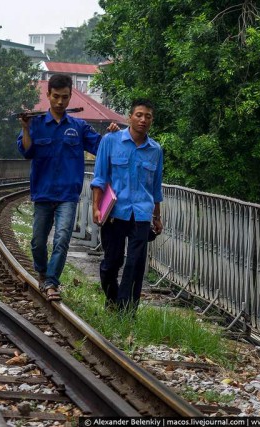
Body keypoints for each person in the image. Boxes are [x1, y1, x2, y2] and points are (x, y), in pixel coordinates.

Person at [16, 73, 118, 301]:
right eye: (56, 97)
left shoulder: (79, 127)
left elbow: (100, 148)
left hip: (68, 195)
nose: (60, 102)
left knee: (62, 239)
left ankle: (52, 282)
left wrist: (111, 135)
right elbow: (26, 151)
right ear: (48, 95)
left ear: (71, 96)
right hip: (42, 193)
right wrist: (25, 128)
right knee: (37, 242)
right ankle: (42, 272)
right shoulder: (37, 124)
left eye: (65, 97)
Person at [91, 98, 163, 313]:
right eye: (139, 115)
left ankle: (126, 312)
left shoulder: (155, 150)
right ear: (129, 117)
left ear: (152, 121)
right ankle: (113, 300)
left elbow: (156, 187)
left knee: (135, 264)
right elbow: (99, 177)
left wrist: (157, 217)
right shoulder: (110, 141)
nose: (143, 120)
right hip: (115, 212)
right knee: (110, 264)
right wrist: (96, 207)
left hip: (141, 213)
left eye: (148, 117)